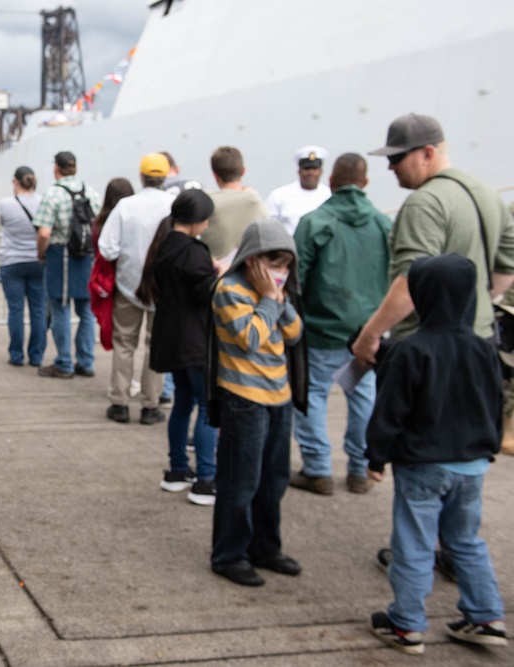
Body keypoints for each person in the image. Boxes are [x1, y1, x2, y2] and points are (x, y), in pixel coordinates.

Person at [366, 254, 508, 655]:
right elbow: (495, 404)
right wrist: (488, 445)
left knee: (413, 542)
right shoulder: (484, 350)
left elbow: (389, 413)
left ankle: (406, 625)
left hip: (422, 465)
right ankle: (486, 616)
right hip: (473, 465)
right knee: (466, 541)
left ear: (420, 294)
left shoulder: (410, 351)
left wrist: (375, 458)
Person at [352, 113, 514, 363]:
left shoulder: (424, 203)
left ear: (428, 153)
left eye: (397, 157)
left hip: (427, 354)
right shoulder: (487, 195)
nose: (390, 166)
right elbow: (506, 272)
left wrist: (369, 336)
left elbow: (408, 284)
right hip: (481, 344)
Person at [206, 220, 308, 587]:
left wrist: (278, 299)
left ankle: (266, 547)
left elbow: (295, 334)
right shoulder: (229, 291)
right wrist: (268, 299)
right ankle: (229, 554)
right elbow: (250, 338)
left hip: (278, 397)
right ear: (251, 261)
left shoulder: (277, 293)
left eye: (284, 266)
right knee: (240, 480)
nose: (279, 274)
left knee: (273, 479)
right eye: (272, 265)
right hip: (244, 400)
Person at [290, 153, 391, 496]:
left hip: (320, 332)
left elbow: (296, 280)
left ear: (330, 181)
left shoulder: (314, 222)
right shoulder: (382, 224)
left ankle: (318, 469)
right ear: (365, 184)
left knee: (312, 395)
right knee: (362, 394)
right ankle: (359, 469)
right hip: (366, 333)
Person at [136, 189, 219, 503]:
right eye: (206, 220)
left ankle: (177, 470)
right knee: (209, 408)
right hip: (195, 340)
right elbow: (206, 294)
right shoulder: (194, 252)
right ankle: (206, 478)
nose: (207, 226)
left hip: (170, 338)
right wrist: (219, 275)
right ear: (197, 220)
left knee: (183, 403)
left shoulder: (163, 245)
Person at [98, 154, 175, 424]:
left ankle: (119, 403)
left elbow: (107, 249)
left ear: (141, 176)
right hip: (164, 288)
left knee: (124, 344)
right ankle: (150, 405)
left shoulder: (126, 206)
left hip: (128, 286)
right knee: (156, 346)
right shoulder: (174, 205)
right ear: (166, 176)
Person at [34, 151, 101, 378]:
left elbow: (44, 231)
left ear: (57, 168)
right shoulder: (91, 192)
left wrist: (41, 254)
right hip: (86, 257)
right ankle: (86, 361)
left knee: (60, 309)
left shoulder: (53, 194)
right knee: (86, 312)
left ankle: (64, 362)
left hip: (60, 255)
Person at [0, 166, 45, 367]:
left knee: (15, 310)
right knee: (38, 310)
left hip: (12, 262)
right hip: (38, 261)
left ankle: (16, 355)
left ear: (15, 182)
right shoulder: (43, 202)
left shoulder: (5, 204)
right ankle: (36, 356)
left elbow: (4, 224)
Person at [201, 146, 269, 268]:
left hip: (214, 274)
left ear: (215, 175)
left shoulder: (205, 202)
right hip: (252, 274)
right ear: (243, 171)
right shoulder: (255, 200)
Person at [89, 178, 136, 354]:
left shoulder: (99, 223)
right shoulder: (133, 220)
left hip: (108, 281)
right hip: (130, 276)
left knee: (121, 336)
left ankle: (120, 381)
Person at [266, 146, 331, 236]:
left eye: (315, 169)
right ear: (299, 171)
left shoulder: (330, 195)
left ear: (321, 171)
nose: (310, 173)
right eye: (307, 169)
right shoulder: (279, 196)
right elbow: (269, 228)